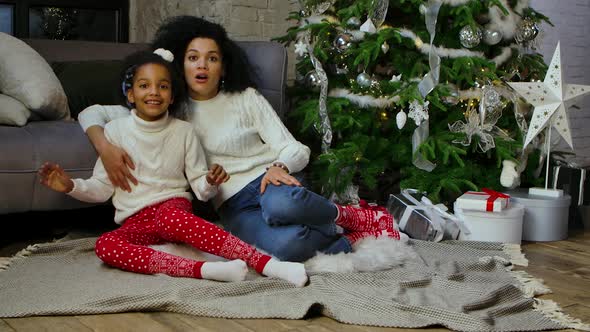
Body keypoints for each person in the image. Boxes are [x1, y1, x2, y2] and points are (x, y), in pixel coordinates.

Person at [78, 16, 403, 263]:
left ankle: (353, 216)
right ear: (181, 65)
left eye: (212, 58)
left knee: (282, 204)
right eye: (193, 57)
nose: (202, 65)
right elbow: (91, 113)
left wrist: (277, 165)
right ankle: (343, 237)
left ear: (223, 67)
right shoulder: (171, 109)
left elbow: (296, 149)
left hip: (271, 181)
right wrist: (104, 148)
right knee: (287, 247)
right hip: (232, 204)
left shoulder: (246, 98)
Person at [38, 49, 307, 287]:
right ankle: (207, 270)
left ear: (171, 96)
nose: (154, 92)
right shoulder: (116, 131)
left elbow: (201, 189)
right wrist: (71, 186)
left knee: (170, 218)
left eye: (162, 86)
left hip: (173, 211)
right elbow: (101, 189)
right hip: (135, 220)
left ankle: (268, 265)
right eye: (144, 86)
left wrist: (211, 181)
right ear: (130, 94)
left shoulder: (184, 132)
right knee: (105, 245)